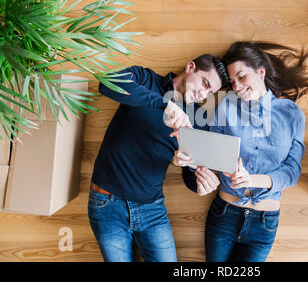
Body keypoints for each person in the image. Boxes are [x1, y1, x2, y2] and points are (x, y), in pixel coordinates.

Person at [174, 41, 308, 262]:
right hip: (225, 213)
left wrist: (251, 179)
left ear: (260, 72)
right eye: (233, 82)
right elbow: (210, 158)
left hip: (265, 222)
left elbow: (292, 172)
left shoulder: (291, 113)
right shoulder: (225, 107)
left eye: (242, 77)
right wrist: (190, 160)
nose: (237, 87)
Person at [88, 54, 229, 262]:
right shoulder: (145, 79)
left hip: (152, 209)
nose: (203, 93)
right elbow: (106, 84)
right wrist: (165, 104)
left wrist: (192, 170)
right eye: (204, 83)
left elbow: (192, 180)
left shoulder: (198, 121)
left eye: (210, 91)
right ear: (190, 67)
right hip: (107, 204)